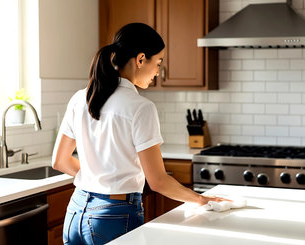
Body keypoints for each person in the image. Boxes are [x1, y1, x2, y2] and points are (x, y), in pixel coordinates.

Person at [52, 23, 226, 244]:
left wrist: (96, 181)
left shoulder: (80, 98)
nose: (157, 72)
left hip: (76, 211)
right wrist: (201, 199)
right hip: (114, 216)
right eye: (158, 63)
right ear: (141, 59)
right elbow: (159, 181)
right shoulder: (141, 107)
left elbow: (60, 161)